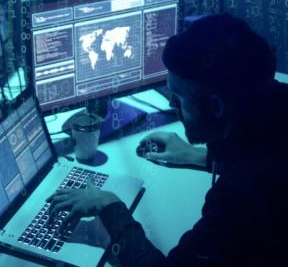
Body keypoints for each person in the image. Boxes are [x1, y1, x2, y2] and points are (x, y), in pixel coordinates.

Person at [47, 13, 288, 266]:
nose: (172, 106)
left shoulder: (240, 197)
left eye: (178, 97)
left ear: (216, 106)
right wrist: (197, 156)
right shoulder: (273, 107)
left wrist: (110, 206)